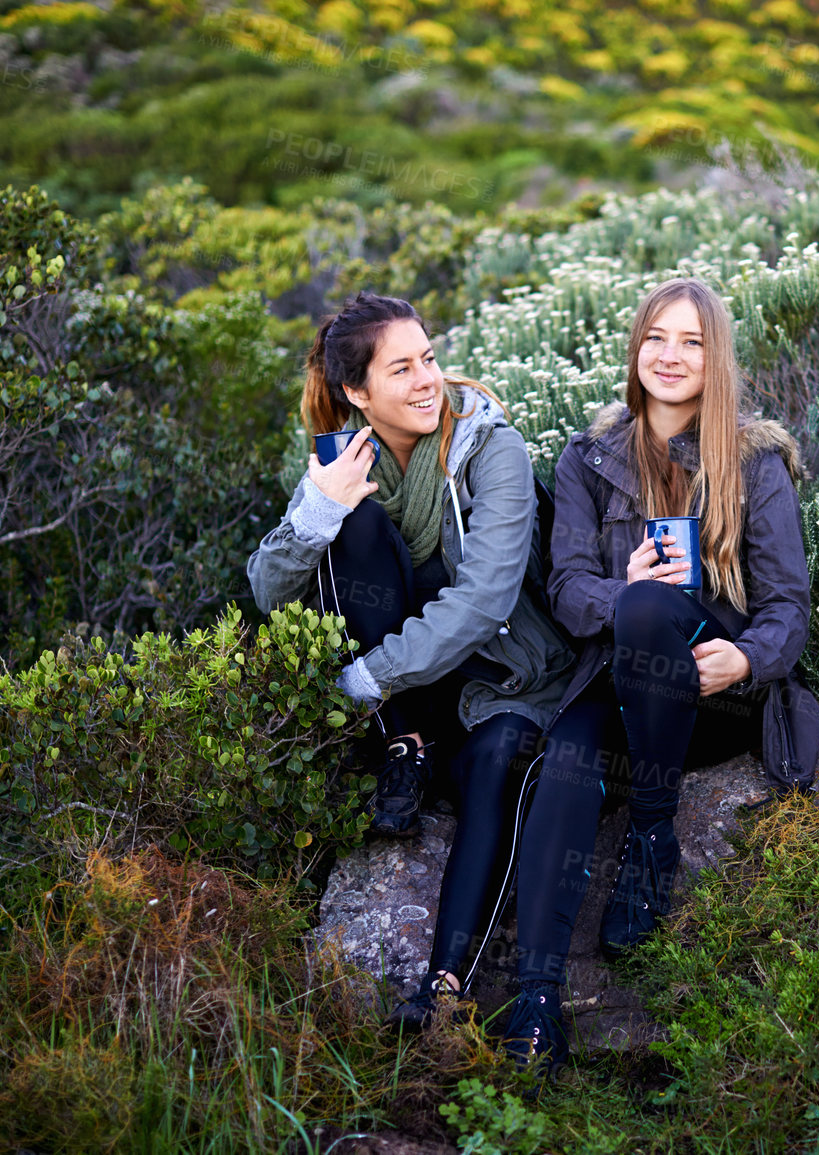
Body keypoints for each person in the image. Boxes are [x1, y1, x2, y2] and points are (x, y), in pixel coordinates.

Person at [500, 277, 819, 1068]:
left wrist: (746, 655)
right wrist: (626, 591)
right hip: (619, 682)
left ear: (716, 360)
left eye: (692, 341)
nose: (670, 355)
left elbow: (788, 604)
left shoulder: (754, 463)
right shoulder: (588, 459)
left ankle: (651, 834)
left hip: (710, 697)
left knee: (654, 613)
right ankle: (535, 1001)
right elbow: (570, 592)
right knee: (569, 759)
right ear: (634, 348)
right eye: (655, 337)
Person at [247, 290, 575, 1028]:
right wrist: (316, 511)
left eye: (428, 358)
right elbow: (267, 592)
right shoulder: (343, 459)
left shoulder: (491, 448)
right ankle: (405, 746)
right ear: (358, 393)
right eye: (402, 369)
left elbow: (487, 598)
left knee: (499, 762)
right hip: (413, 701)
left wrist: (365, 678)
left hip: (502, 679)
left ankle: (443, 992)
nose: (428, 379)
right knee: (353, 524)